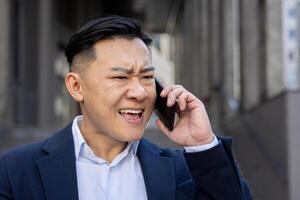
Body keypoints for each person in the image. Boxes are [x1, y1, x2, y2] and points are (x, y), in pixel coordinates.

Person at [0, 15, 252, 200]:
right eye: (121, 77)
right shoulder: (16, 171)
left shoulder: (180, 171)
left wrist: (202, 143)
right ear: (76, 87)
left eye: (146, 76)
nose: (140, 92)